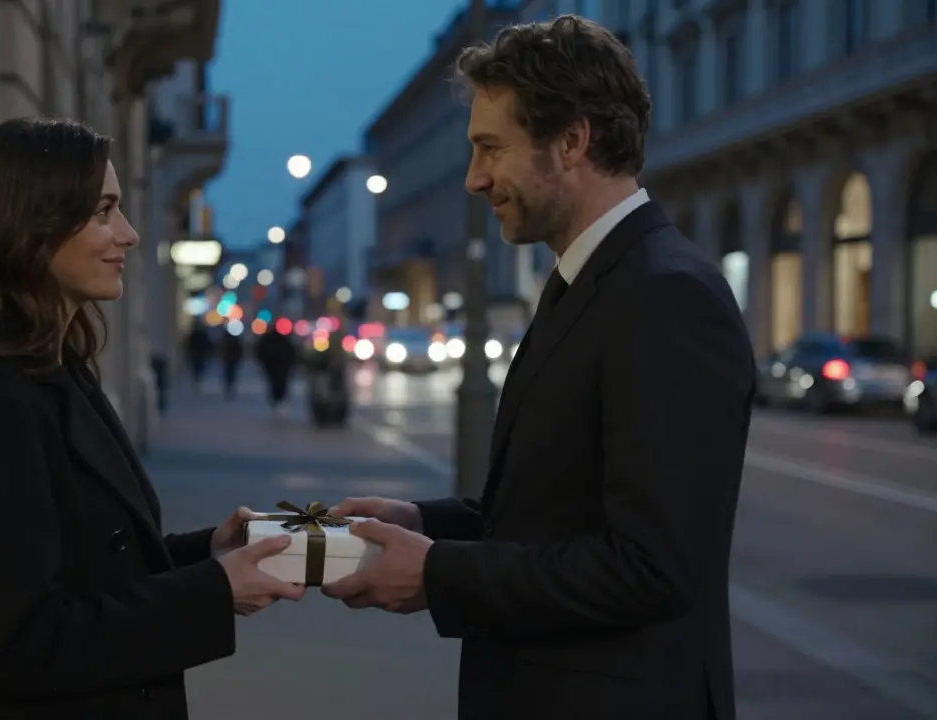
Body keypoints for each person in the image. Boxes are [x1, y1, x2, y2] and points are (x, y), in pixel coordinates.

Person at [322, 16, 753, 720]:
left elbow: (651, 566)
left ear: (572, 141)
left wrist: (435, 573)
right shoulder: (590, 281)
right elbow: (556, 511)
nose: (473, 179)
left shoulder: (666, 296)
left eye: (491, 149)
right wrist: (426, 525)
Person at [0, 117, 303, 720]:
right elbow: (24, 644)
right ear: (30, 227)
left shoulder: (56, 367)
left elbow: (94, 563)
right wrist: (216, 589)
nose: (128, 235)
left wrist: (210, 552)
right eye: (103, 212)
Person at [253, 324, 299, 413]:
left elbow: (260, 351)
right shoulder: (284, 339)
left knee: (274, 383)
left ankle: (277, 400)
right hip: (281, 366)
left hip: (272, 366)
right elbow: (292, 352)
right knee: (281, 383)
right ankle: (279, 399)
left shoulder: (267, 339)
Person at [219, 330, 244, 399]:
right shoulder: (234, 340)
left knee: (229, 374)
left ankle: (229, 386)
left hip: (229, 360)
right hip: (231, 360)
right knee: (230, 374)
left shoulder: (227, 340)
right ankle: (229, 386)